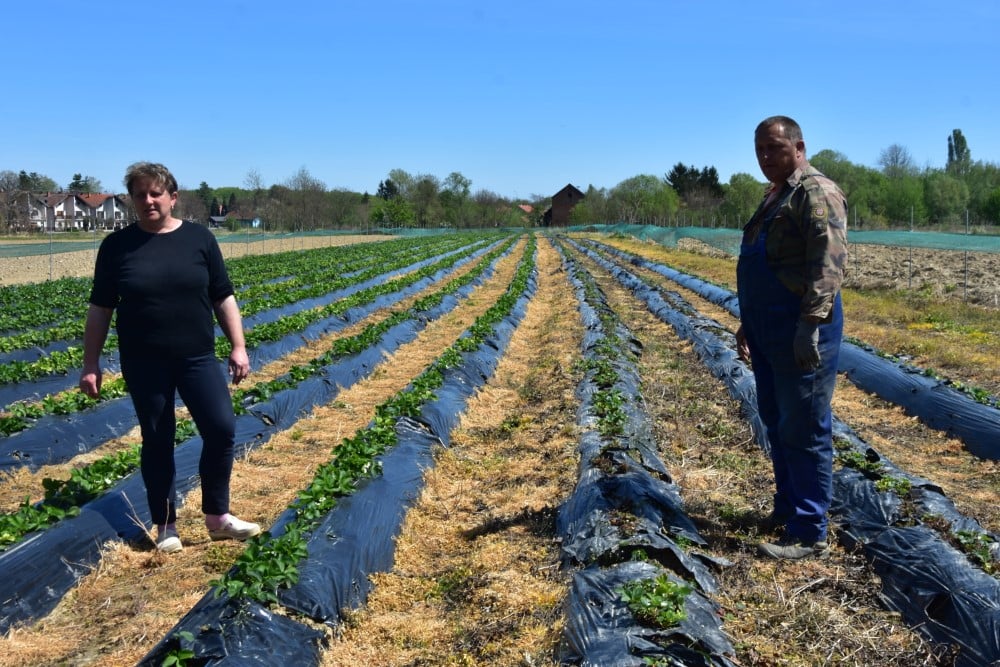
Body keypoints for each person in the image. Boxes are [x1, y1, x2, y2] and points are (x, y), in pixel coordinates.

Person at [79, 162, 260, 554]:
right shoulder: (117, 247)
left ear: (172, 197)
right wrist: (90, 364)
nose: (148, 200)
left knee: (221, 428)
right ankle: (166, 526)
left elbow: (222, 296)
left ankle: (217, 517)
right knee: (157, 439)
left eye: (155, 193)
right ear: (132, 200)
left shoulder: (199, 239)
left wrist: (238, 345)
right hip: (145, 362)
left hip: (196, 357)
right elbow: (100, 308)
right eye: (140, 194)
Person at [735, 116, 848, 560]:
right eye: (760, 150)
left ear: (798, 147)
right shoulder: (775, 196)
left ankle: (809, 529)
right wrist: (749, 321)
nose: (766, 157)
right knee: (777, 421)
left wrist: (810, 326)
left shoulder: (815, 192)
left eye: (775, 149)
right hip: (766, 327)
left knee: (804, 426)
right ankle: (786, 509)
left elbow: (828, 265)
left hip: (801, 325)